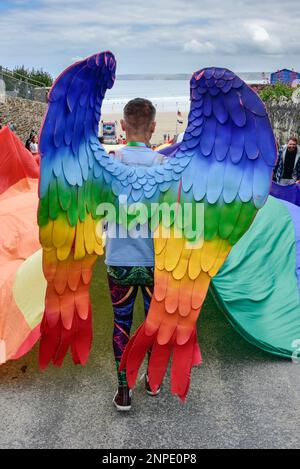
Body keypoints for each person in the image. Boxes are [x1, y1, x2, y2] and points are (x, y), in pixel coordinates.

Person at [105, 98, 166, 411]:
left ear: (123, 126)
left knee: (121, 325)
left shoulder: (110, 162)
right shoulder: (163, 167)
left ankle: (123, 391)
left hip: (119, 260)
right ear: (153, 127)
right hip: (156, 261)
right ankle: (153, 382)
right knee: (154, 323)